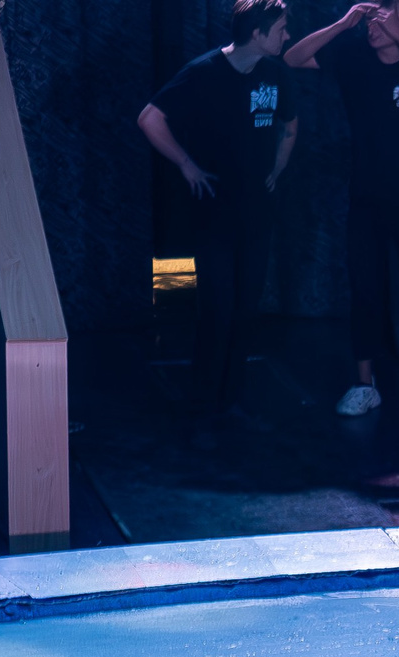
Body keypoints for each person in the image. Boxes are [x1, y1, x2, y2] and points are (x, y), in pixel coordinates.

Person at [285, 1, 399, 423]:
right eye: (370, 16)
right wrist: (344, 23)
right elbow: (292, 57)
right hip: (367, 196)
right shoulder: (352, 56)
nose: (373, 26)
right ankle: (365, 385)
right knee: (365, 287)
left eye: (384, 15)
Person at [138, 1, 299, 421]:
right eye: (281, 29)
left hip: (257, 213)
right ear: (258, 33)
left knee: (246, 311)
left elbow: (291, 124)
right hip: (214, 214)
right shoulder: (205, 71)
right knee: (216, 312)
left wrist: (278, 168)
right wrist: (186, 163)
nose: (287, 37)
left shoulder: (277, 73)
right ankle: (203, 407)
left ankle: (232, 401)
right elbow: (150, 118)